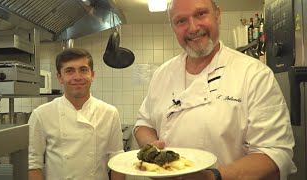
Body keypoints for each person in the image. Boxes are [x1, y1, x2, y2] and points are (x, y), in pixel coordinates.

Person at [134, 0, 297, 179]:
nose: (193, 27)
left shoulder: (254, 74)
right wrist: (153, 148)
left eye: (200, 14)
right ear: (173, 27)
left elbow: (274, 154)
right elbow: (144, 124)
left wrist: (212, 177)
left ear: (217, 15)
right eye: (181, 21)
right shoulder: (162, 74)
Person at [28, 48, 125, 180]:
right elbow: (33, 163)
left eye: (83, 70)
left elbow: (117, 159)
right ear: (59, 77)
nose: (77, 77)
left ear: (92, 75)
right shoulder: (41, 114)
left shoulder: (109, 113)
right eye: (69, 71)